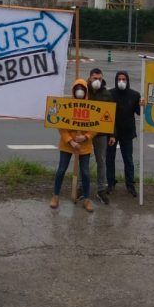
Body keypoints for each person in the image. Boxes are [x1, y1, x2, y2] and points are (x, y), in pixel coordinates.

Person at [50, 78, 96, 213]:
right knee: (61, 170)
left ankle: (87, 199)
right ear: (73, 91)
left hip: (84, 145)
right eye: (77, 89)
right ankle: (55, 196)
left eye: (82, 89)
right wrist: (70, 140)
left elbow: (97, 126)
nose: (80, 91)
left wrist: (85, 137)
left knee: (86, 173)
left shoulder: (92, 106)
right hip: (67, 144)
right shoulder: (67, 105)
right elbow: (60, 126)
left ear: (86, 91)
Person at [107, 70, 142, 197]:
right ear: (116, 80)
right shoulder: (110, 94)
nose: (121, 81)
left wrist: (143, 105)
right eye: (119, 79)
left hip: (127, 133)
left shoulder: (134, 95)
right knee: (109, 159)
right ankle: (110, 183)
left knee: (128, 160)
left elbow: (139, 112)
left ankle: (130, 185)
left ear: (127, 81)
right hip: (112, 133)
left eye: (124, 79)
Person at [87, 67, 111, 204]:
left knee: (101, 161)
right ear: (90, 78)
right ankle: (80, 187)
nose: (97, 81)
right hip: (85, 134)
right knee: (83, 160)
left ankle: (102, 190)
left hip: (101, 134)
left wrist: (112, 135)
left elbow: (112, 116)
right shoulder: (83, 91)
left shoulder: (106, 94)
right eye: (95, 78)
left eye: (99, 79)